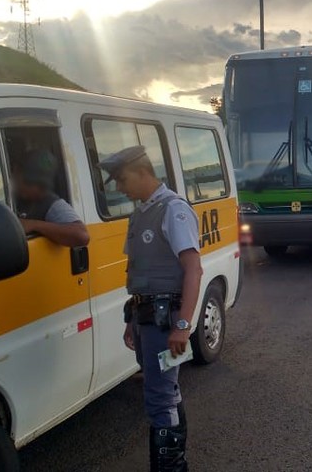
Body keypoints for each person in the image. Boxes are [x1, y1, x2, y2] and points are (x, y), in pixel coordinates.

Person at [99, 146, 202, 472]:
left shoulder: (174, 210)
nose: (119, 188)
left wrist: (183, 325)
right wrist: (132, 320)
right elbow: (141, 274)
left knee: (159, 397)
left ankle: (170, 467)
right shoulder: (141, 213)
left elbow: (193, 270)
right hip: (147, 319)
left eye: (123, 179)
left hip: (166, 321)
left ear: (143, 172)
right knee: (165, 391)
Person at [15, 149, 90, 247]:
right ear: (16, 171)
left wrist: (34, 225)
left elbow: (81, 235)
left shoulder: (48, 202)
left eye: (41, 184)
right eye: (30, 181)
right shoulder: (1, 195)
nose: (36, 189)